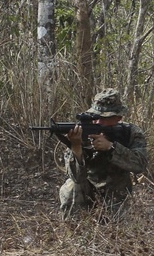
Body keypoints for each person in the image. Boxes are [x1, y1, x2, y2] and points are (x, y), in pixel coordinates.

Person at [58, 88, 148, 221]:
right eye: (95, 116)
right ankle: (73, 228)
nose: (98, 122)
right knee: (71, 187)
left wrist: (111, 148)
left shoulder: (131, 133)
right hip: (87, 190)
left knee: (119, 227)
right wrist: (76, 147)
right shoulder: (82, 131)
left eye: (104, 118)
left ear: (118, 117)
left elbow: (140, 165)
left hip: (117, 192)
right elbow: (76, 177)